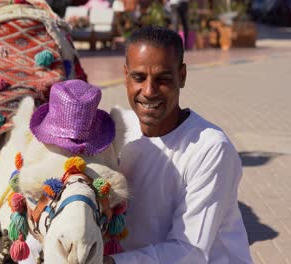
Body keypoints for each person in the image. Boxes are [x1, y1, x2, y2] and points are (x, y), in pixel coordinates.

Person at [103, 26, 253, 263]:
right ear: (125, 76)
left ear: (182, 76)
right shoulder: (119, 131)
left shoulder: (211, 149)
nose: (149, 91)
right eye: (139, 77)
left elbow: (190, 251)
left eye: (163, 79)